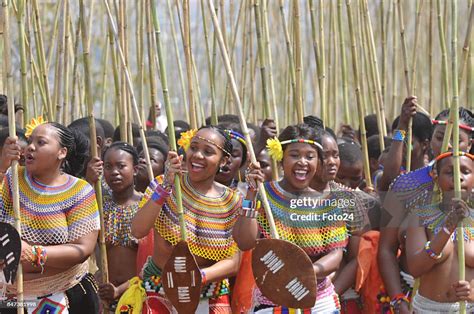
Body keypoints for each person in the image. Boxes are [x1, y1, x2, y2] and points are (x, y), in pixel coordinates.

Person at [120, 125, 243, 313]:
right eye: (194, 148)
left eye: (208, 152)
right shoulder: (164, 185)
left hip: (210, 295)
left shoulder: (232, 201)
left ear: (224, 160)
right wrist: (166, 187)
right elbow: (138, 230)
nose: (198, 156)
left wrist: (197, 277)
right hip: (160, 289)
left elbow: (233, 263)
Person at [233, 124, 348, 312]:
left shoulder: (328, 203)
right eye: (294, 155)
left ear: (318, 162)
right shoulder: (264, 194)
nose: (303, 162)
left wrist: (307, 272)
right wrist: (251, 194)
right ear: (281, 159)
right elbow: (245, 242)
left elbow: (336, 254)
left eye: (309, 157)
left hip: (318, 302)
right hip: (272, 302)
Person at [378, 107, 473, 314]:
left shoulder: (470, 195)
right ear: (431, 138)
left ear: (469, 144)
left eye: (458, 139)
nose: (447, 144)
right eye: (441, 137)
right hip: (412, 300)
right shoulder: (405, 185)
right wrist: (397, 299)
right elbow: (386, 249)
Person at [0, 121, 100, 313]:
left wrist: (34, 253)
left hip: (63, 292)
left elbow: (83, 248)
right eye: (30, 141)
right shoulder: (12, 179)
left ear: (61, 152)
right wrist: (2, 170)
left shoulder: (79, 191)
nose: (30, 147)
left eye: (41, 142)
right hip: (10, 297)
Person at [406, 152, 474, 312]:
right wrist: (447, 228)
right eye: (449, 172)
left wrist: (472, 291)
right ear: (436, 178)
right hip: (428, 310)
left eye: (465, 171)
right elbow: (416, 268)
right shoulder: (420, 216)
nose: (458, 178)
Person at [97, 142, 143, 310]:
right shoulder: (99, 205)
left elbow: (152, 263)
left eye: (121, 166)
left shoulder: (147, 206)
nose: (114, 172)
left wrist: (119, 290)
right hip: (104, 297)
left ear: (135, 169)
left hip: (137, 296)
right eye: (108, 167)